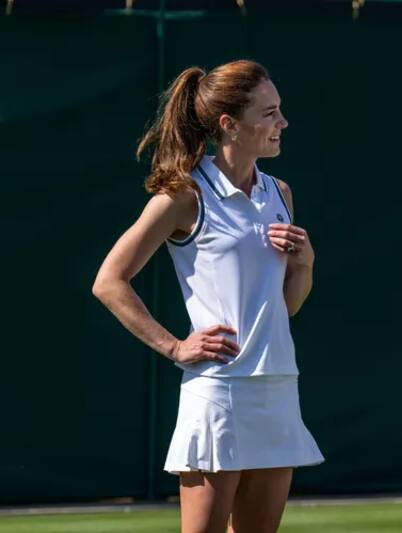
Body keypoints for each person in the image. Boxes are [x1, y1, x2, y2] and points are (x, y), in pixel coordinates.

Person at [92, 60, 323, 533]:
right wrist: (176, 347)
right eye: (270, 113)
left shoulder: (279, 193)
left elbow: (288, 305)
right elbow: (109, 280)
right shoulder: (184, 195)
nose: (283, 123)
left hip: (277, 384)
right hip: (219, 391)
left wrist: (304, 262)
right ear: (229, 125)